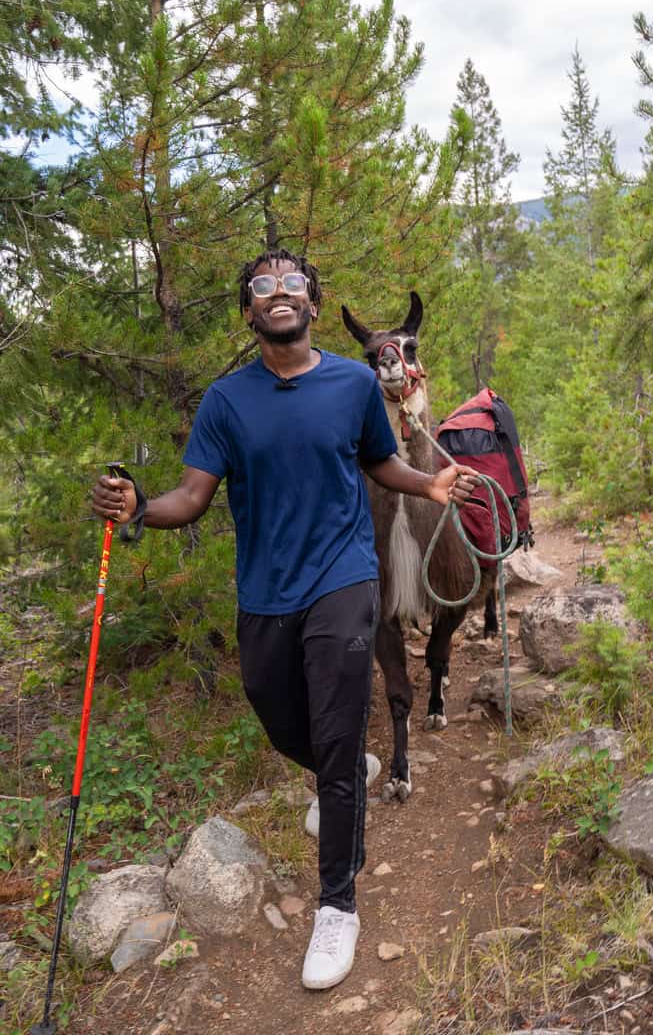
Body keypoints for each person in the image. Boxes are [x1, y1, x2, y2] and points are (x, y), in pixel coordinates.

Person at [91, 249, 478, 991]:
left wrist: (429, 483)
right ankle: (347, 772)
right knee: (277, 715)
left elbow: (379, 462)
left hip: (344, 576)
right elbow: (192, 496)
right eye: (262, 286)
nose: (279, 293)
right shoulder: (226, 401)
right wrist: (142, 508)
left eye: (291, 283)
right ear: (249, 311)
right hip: (265, 590)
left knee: (335, 733)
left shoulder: (354, 382)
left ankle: (338, 905)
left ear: (310, 300)